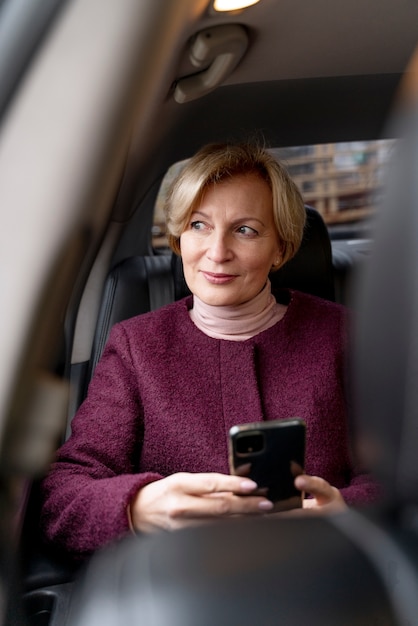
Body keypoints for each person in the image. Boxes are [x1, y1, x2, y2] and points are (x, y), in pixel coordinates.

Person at [41, 142, 380, 560]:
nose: (217, 253)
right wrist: (136, 507)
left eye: (245, 230)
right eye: (199, 226)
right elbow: (62, 494)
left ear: (281, 248)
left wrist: (347, 512)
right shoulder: (136, 345)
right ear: (179, 237)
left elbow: (397, 475)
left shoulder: (343, 334)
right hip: (180, 588)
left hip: (323, 576)